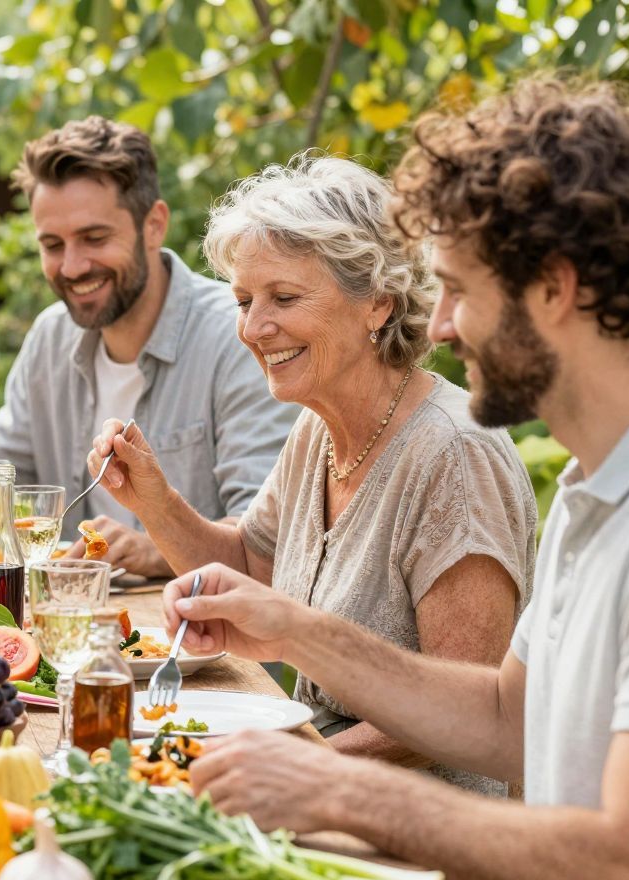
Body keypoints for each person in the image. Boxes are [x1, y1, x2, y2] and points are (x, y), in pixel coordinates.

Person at [166, 79, 629, 880]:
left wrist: (338, 789)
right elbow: (502, 715)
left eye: (457, 291)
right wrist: (292, 627)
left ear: (553, 287)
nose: (437, 325)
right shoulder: (597, 485)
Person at [88, 156, 537, 794]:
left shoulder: (456, 455)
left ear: (377, 303)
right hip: (321, 783)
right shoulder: (319, 429)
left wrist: (293, 763)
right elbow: (253, 566)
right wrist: (153, 500)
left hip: (430, 831)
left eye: (285, 298)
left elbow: (469, 708)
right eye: (244, 300)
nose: (252, 327)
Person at [0, 116, 295, 575]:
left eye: (94, 238)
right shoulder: (51, 337)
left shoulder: (240, 337)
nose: (72, 266)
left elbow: (269, 547)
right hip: (69, 626)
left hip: (196, 637)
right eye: (52, 244)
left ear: (154, 225)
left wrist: (155, 550)